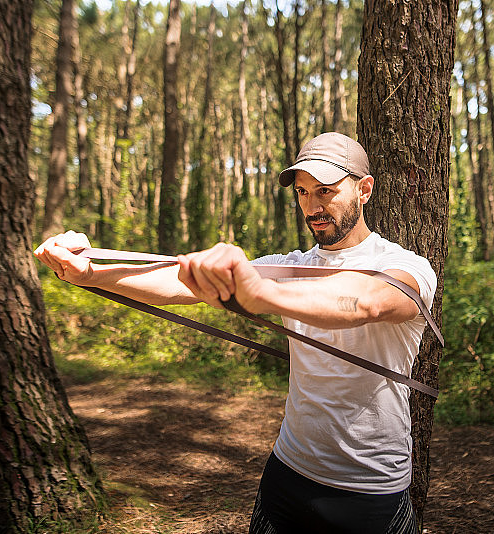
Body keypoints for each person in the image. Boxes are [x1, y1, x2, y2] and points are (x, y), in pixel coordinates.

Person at [35, 132, 437, 533]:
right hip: (288, 472)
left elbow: (368, 302)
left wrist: (260, 292)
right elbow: (178, 283)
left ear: (364, 189)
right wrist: (90, 272)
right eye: (302, 192)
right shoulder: (288, 265)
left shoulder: (406, 266)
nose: (312, 206)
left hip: (370, 490)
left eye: (326, 191)